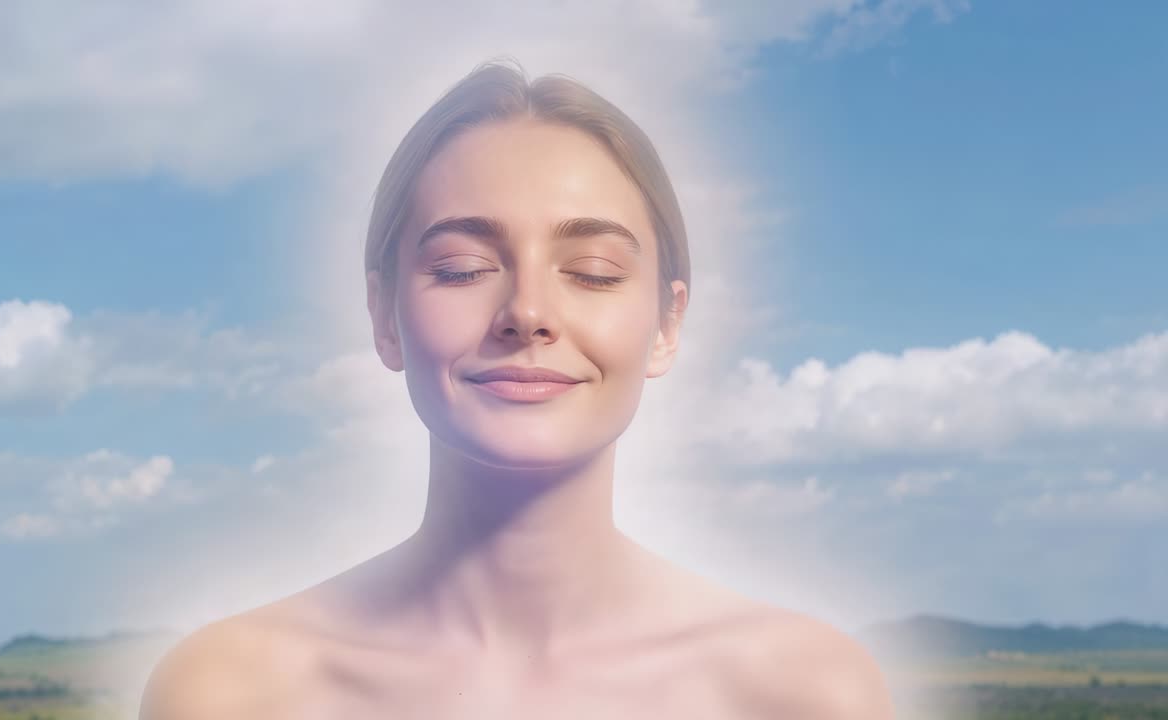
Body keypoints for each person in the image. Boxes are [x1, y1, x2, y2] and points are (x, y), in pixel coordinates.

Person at [139, 57, 894, 720]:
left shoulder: (805, 695)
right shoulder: (227, 695)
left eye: (592, 272)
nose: (528, 313)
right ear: (385, 315)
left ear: (667, 321)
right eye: (463, 268)